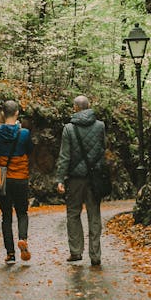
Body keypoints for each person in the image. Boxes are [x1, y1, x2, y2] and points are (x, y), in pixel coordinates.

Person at [55, 95, 106, 266]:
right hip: (94, 178)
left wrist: (60, 178)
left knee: (73, 214)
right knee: (94, 215)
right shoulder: (100, 126)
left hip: (76, 179)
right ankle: (95, 254)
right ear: (89, 106)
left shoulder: (69, 129)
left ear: (76, 108)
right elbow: (102, 150)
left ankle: (76, 252)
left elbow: (65, 156)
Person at [0, 100, 34, 264]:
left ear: (2, 114)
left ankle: (10, 254)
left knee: (6, 216)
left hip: (1, 176)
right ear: (17, 113)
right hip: (20, 177)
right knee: (22, 212)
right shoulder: (25, 133)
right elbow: (30, 150)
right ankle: (23, 238)